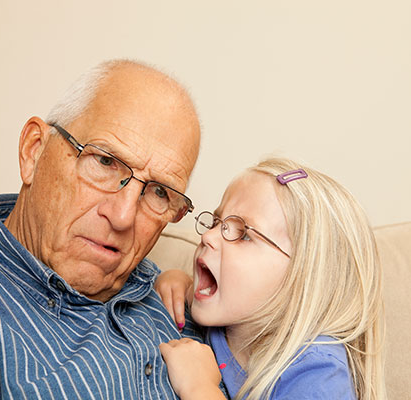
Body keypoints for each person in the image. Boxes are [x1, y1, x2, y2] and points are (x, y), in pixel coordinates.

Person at [0, 60, 207, 399]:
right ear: (34, 151)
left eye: (159, 192)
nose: (122, 217)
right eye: (105, 161)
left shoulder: (179, 301)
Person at [157, 157, 386, 400]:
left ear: (303, 278)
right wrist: (177, 281)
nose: (209, 237)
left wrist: (200, 388)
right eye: (216, 222)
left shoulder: (318, 373)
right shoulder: (224, 318)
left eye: (243, 234)